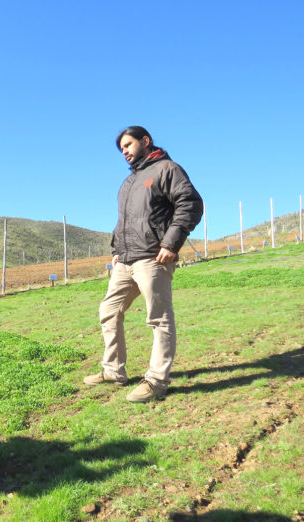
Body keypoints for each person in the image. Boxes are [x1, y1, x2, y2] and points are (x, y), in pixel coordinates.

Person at [84, 126, 203, 403]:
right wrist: (116, 249)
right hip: (125, 260)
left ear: (145, 141)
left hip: (153, 256)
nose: (124, 151)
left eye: (128, 145)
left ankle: (157, 381)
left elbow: (191, 204)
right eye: (121, 148)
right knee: (108, 310)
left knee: (158, 318)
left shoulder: (167, 169)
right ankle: (113, 370)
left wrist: (170, 244)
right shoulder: (129, 182)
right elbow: (125, 221)